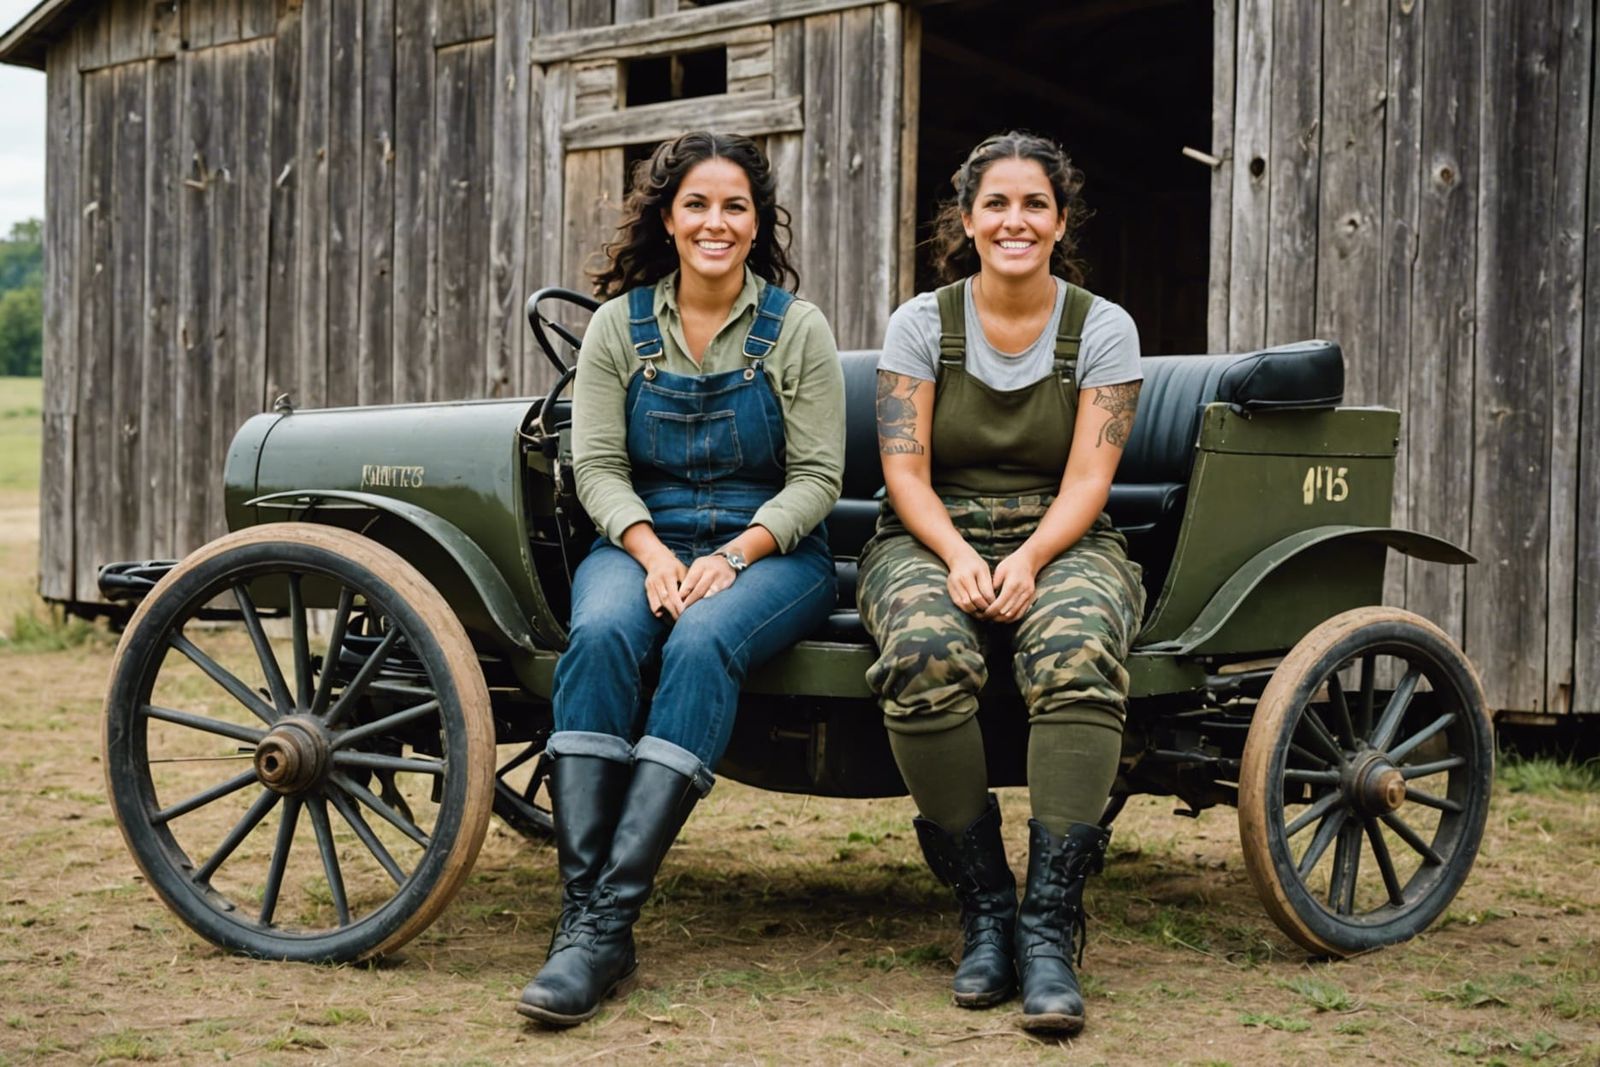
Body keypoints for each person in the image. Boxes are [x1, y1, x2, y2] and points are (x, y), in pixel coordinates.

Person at [517, 132, 845, 1027]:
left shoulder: (795, 328)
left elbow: (819, 479)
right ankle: (589, 929)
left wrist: (734, 553)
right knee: (603, 633)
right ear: (667, 217)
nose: (715, 222)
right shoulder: (620, 326)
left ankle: (604, 920)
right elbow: (596, 465)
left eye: (734, 205)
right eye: (696, 203)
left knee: (702, 640)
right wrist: (654, 553)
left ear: (756, 220)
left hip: (770, 552)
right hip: (640, 537)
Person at [858, 131, 1144, 1035]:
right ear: (968, 219)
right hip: (930, 532)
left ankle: (1052, 924)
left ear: (1060, 223)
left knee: (1076, 648)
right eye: (997, 204)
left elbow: (1090, 483)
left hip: (1062, 537)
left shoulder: (1102, 327)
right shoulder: (920, 324)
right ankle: (985, 906)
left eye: (1034, 205)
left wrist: (1026, 561)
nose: (1014, 220)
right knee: (923, 651)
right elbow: (905, 475)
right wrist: (957, 556)